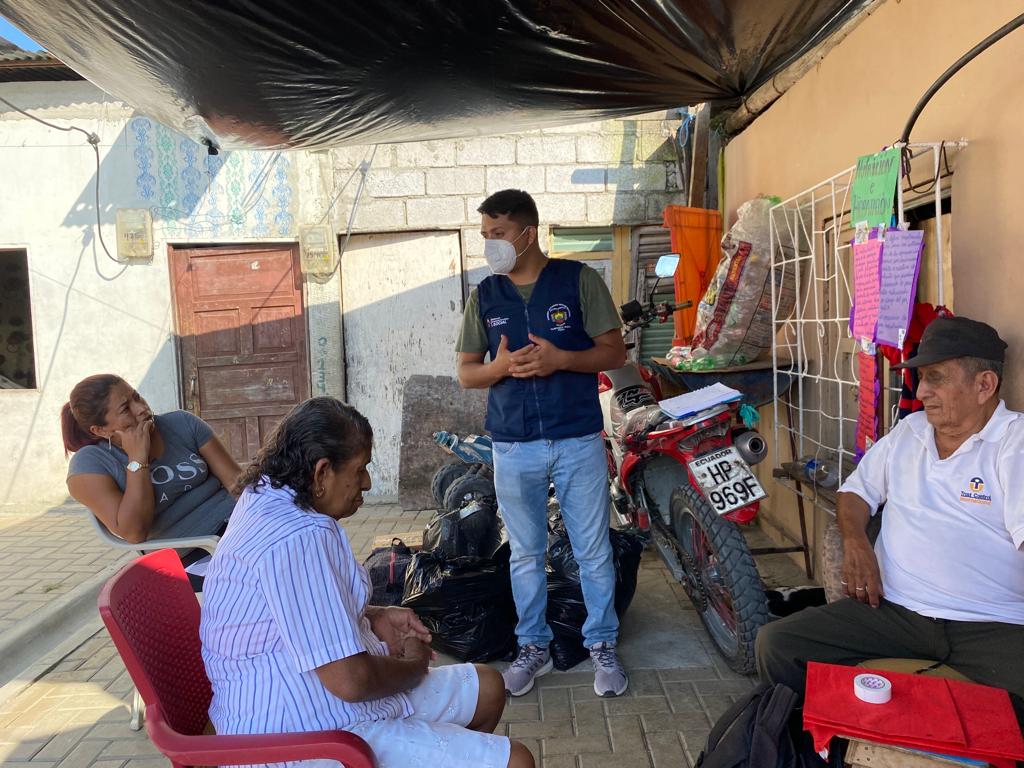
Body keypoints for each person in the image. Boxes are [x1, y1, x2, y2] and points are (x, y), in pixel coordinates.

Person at [200, 397, 533, 768]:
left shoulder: (268, 496)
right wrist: (414, 665)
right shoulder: (298, 537)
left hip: (309, 696)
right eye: (360, 470)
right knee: (516, 761)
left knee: (488, 687)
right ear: (322, 472)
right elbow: (352, 681)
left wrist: (373, 615)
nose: (367, 483)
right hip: (294, 731)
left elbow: (290, 609)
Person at [756, 316, 1024, 719]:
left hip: (990, 625)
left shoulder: (1014, 444)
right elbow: (855, 493)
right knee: (778, 645)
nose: (922, 391)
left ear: (984, 385)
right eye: (921, 377)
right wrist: (856, 543)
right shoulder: (909, 432)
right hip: (894, 612)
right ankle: (813, 744)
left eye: (936, 378)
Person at [456, 189, 628, 698]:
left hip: (576, 438)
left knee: (592, 549)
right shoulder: (486, 295)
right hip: (513, 445)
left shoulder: (578, 280)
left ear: (528, 233)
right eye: (485, 234)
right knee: (525, 554)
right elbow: (467, 373)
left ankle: (602, 645)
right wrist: (500, 367)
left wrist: (562, 360)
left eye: (499, 233)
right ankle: (533, 647)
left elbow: (614, 350)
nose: (490, 243)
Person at [62, 374, 240, 550]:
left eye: (137, 397)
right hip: (194, 549)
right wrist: (137, 459)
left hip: (239, 522)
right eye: (125, 409)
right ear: (100, 430)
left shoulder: (182, 423)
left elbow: (236, 482)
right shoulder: (89, 464)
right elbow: (134, 532)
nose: (141, 408)